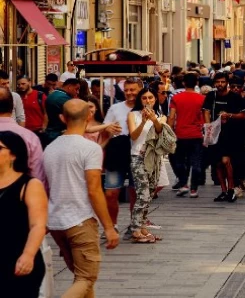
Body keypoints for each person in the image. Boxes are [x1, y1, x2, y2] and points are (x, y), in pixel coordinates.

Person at [44, 99, 119, 297]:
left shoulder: (50, 149)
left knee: (82, 278)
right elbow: (94, 190)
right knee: (86, 278)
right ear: (88, 117)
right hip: (80, 220)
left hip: (56, 222)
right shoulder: (89, 148)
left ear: (62, 118)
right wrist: (109, 227)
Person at [0, 131, 48, 298]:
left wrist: (28, 255)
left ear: (13, 154)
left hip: (18, 258)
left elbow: (38, 225)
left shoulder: (29, 185)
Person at [102, 78, 142, 238]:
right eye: (127, 90)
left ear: (140, 89)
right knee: (111, 192)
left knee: (135, 191)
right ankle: (112, 225)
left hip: (138, 150)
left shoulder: (146, 107)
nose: (129, 93)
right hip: (117, 149)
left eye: (133, 90)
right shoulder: (115, 108)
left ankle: (135, 224)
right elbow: (106, 128)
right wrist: (109, 128)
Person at [202, 72, 245, 203]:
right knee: (217, 163)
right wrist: (208, 127)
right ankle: (223, 191)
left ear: (227, 82)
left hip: (230, 134)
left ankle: (231, 189)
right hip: (214, 134)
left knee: (225, 161)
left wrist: (229, 115)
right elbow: (205, 111)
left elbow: (243, 115)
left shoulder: (235, 97)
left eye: (222, 82)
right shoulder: (211, 96)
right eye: (218, 82)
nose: (220, 84)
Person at [127, 88, 165, 243]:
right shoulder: (132, 115)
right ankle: (135, 229)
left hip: (154, 158)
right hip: (137, 156)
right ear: (140, 100)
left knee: (149, 193)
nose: (148, 101)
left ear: (155, 99)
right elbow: (133, 136)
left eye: (150, 97)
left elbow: (160, 131)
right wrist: (143, 121)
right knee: (142, 194)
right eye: (144, 98)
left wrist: (153, 119)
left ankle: (142, 226)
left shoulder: (161, 116)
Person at [167, 73, 205, 198]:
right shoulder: (202, 98)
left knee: (179, 161)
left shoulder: (176, 98)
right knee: (196, 162)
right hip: (196, 134)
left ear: (183, 83)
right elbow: (205, 117)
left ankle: (183, 184)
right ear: (196, 84)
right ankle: (194, 189)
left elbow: (172, 117)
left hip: (180, 133)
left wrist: (169, 131)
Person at [43, 78, 80, 145]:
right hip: (59, 133)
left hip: (51, 132)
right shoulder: (64, 98)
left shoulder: (53, 94)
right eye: (76, 89)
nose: (77, 92)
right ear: (69, 87)